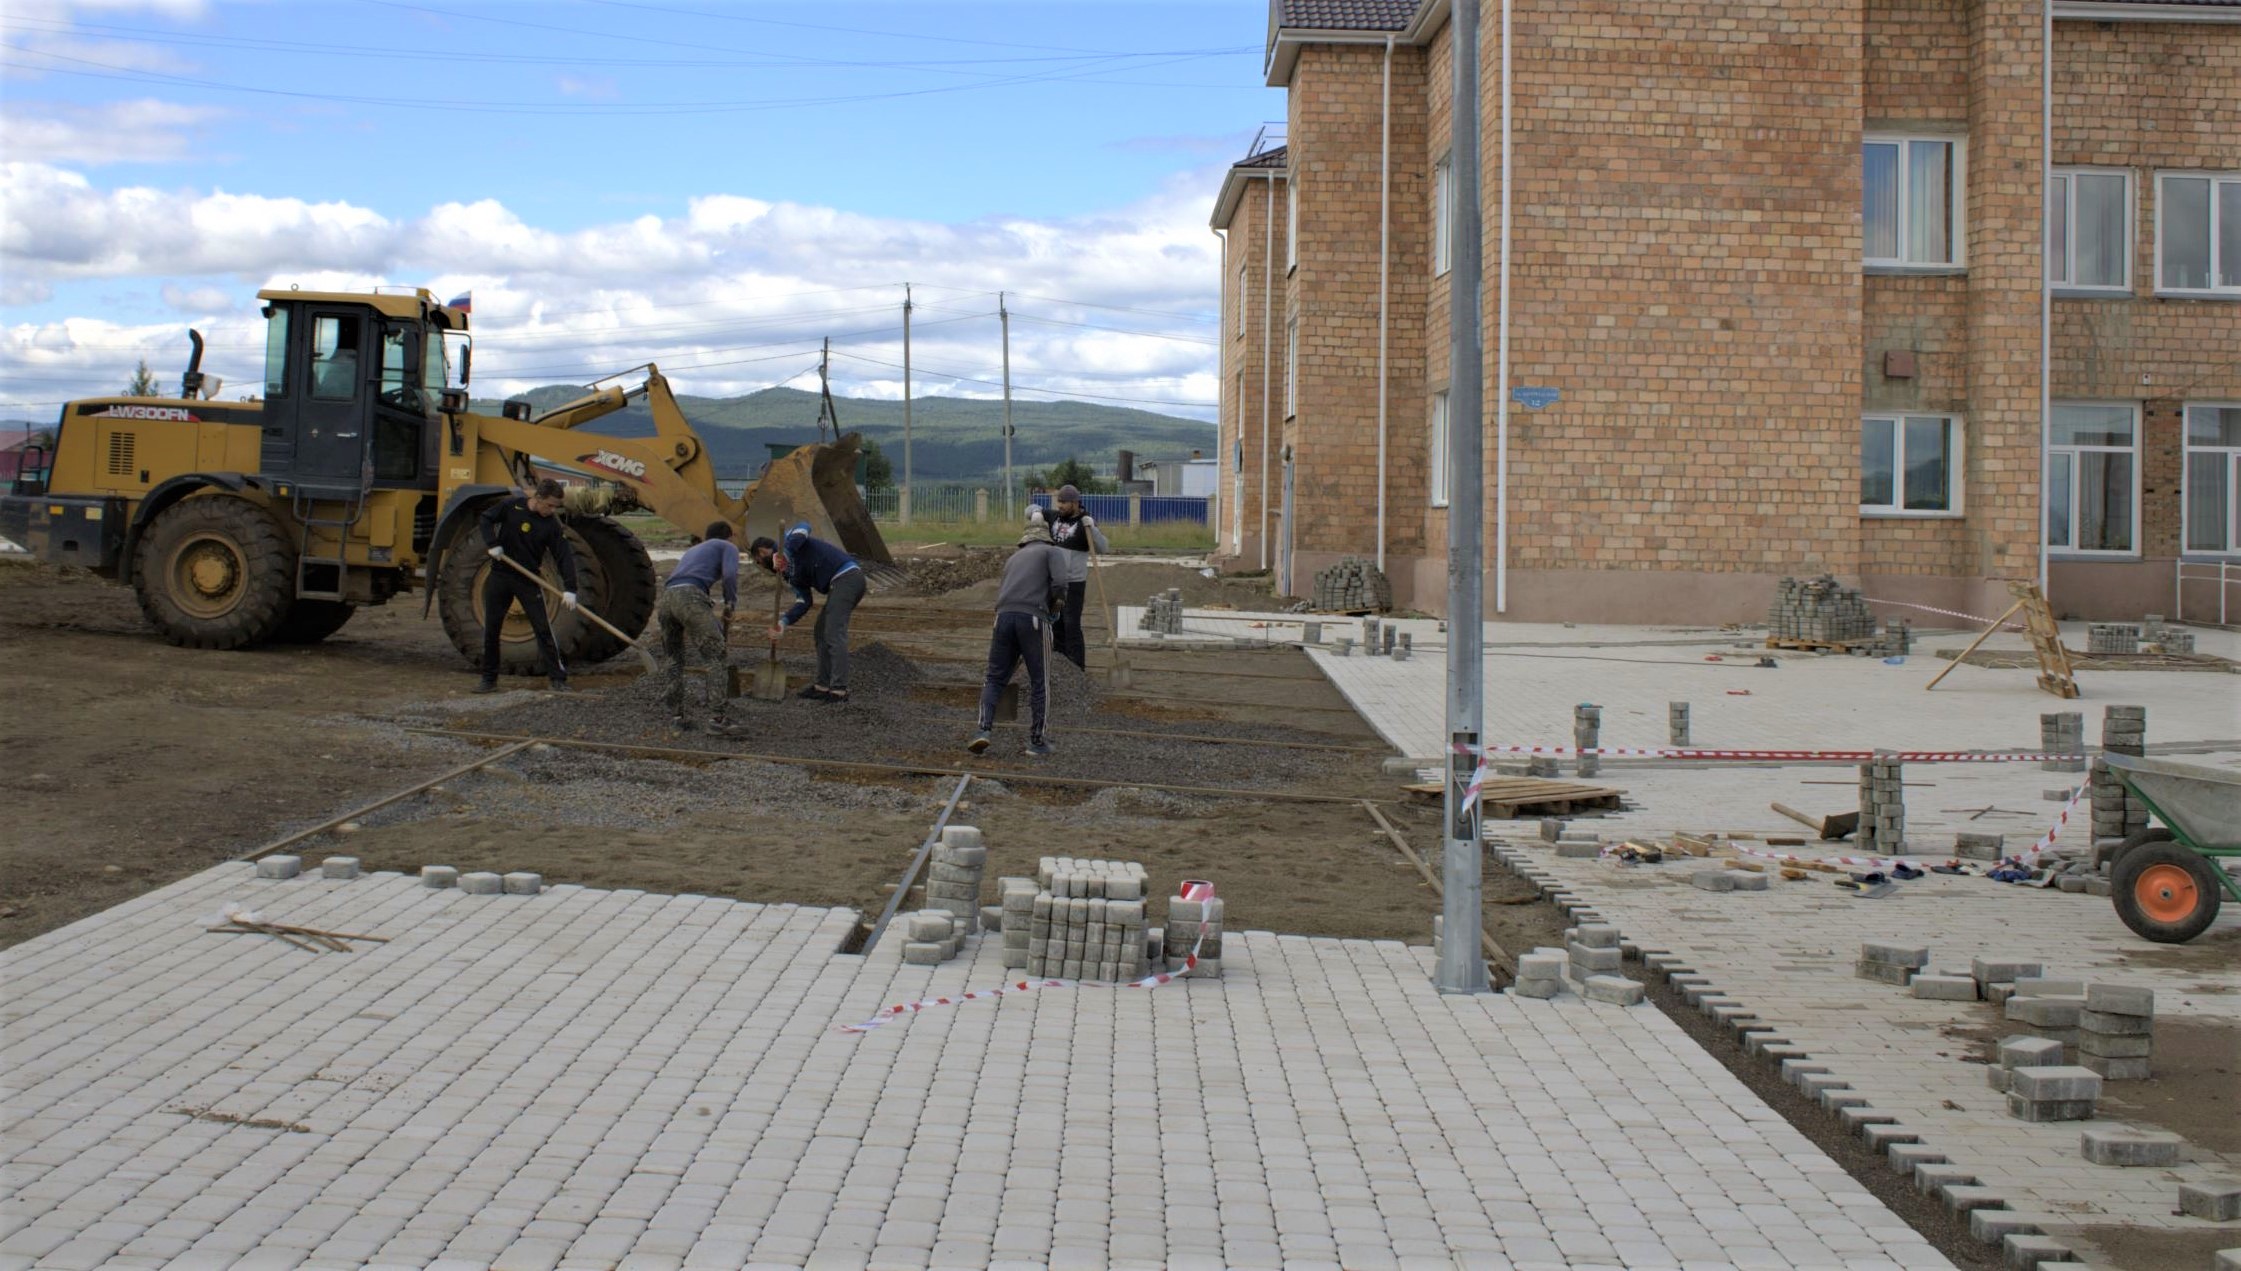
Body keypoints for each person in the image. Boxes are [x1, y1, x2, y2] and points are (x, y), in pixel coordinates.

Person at [968, 516, 1067, 757]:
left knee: (994, 677)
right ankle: (1036, 740)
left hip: (1002, 618)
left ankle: (982, 731)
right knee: (1039, 680)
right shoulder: (1051, 552)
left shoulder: (1013, 559)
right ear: (1046, 537)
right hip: (1033, 619)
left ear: (1025, 539)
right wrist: (1055, 607)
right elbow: (1060, 584)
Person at [474, 478, 577, 692]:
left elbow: (563, 556)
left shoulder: (550, 525)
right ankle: (489, 679)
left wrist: (570, 589)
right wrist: (492, 544)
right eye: (549, 505)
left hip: (528, 580)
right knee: (492, 630)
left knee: (543, 629)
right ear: (537, 498)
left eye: (555, 507)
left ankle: (557, 679)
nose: (551, 510)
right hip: (500, 576)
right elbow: (485, 519)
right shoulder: (511, 507)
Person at [750, 522, 864, 703]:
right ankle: (822, 686)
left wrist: (784, 553)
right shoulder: (789, 575)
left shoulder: (789, 540)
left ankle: (839, 690)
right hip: (837, 586)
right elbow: (804, 601)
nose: (761, 565)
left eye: (758, 560)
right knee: (821, 631)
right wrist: (783, 623)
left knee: (834, 632)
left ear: (763, 551)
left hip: (847, 577)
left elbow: (804, 527)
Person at [659, 520, 743, 733]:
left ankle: (677, 716)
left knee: (674, 658)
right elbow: (730, 575)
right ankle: (718, 719)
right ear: (730, 536)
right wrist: (730, 603)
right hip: (690, 596)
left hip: (667, 598)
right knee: (716, 655)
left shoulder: (694, 550)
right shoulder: (728, 547)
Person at [1042, 484, 1109, 669]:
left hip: (1073, 585)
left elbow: (1104, 548)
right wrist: (1034, 512)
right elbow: (1030, 511)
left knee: (1071, 625)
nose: (1060, 505)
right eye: (1059, 501)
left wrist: (1093, 529)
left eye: (1063, 502)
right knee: (1056, 624)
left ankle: (1077, 669)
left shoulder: (1085, 524)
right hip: (1055, 583)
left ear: (1075, 503)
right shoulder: (1053, 517)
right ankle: (1059, 666)